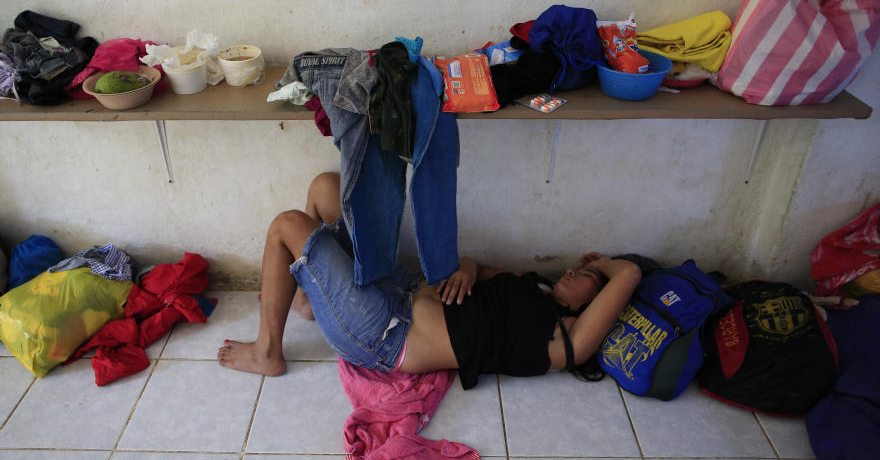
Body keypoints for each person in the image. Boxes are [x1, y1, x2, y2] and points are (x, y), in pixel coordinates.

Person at [218, 173, 642, 388]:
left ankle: (268, 352)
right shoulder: (534, 287)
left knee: (287, 225)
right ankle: (315, 301)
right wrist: (467, 269)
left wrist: (606, 265)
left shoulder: (565, 341)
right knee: (327, 187)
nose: (573, 270)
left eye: (586, 277)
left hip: (384, 335)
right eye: (580, 267)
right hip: (400, 286)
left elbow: (631, 273)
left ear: (592, 306)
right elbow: (475, 265)